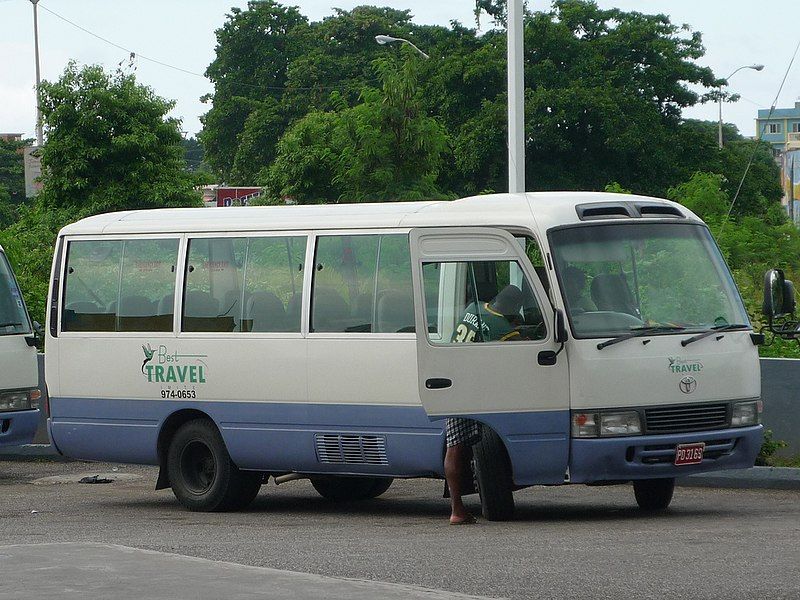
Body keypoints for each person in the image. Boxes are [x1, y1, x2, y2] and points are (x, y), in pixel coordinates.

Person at [445, 284, 523, 525]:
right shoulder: (503, 329)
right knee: (463, 445)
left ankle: (458, 507)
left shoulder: (474, 307)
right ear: (514, 309)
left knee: (455, 445)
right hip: (469, 389)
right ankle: (459, 509)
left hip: (451, 380)